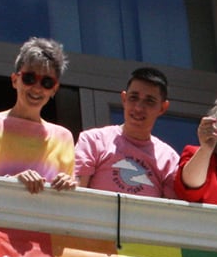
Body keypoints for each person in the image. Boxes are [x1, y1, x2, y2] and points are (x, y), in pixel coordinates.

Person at [0, 37, 77, 194]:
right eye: (29, 78)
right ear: (15, 80)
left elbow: (67, 199)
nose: (37, 89)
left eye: (46, 82)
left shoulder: (63, 137)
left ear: (54, 89)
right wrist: (11, 183)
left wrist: (69, 184)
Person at [74, 67, 179, 197]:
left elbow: (172, 211)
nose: (138, 107)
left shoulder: (169, 158)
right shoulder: (93, 140)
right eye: (133, 98)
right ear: (124, 99)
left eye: (149, 101)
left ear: (162, 108)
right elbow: (76, 194)